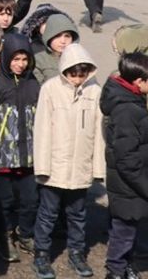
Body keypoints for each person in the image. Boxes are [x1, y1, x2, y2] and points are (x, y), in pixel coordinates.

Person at [32, 43, 106, 279]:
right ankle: (41, 254)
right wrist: (42, 166)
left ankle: (77, 252)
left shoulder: (95, 91)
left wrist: (97, 168)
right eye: (73, 72)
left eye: (82, 72)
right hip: (54, 167)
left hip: (80, 167)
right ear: (64, 70)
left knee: (78, 214)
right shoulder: (50, 89)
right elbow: (42, 129)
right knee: (47, 213)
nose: (77, 78)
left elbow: (99, 133)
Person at [101, 52, 148, 279]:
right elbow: (126, 157)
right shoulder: (127, 110)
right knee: (123, 232)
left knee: (129, 230)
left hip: (129, 186)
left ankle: (124, 267)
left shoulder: (131, 100)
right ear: (138, 81)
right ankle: (116, 271)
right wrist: (146, 185)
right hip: (130, 186)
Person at [0, 33, 42, 263]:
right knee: (4, 201)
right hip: (4, 158)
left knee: (30, 200)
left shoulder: (34, 85)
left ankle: (26, 234)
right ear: (6, 58)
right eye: (15, 59)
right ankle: (4, 235)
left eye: (24, 59)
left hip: (29, 157)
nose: (20, 64)